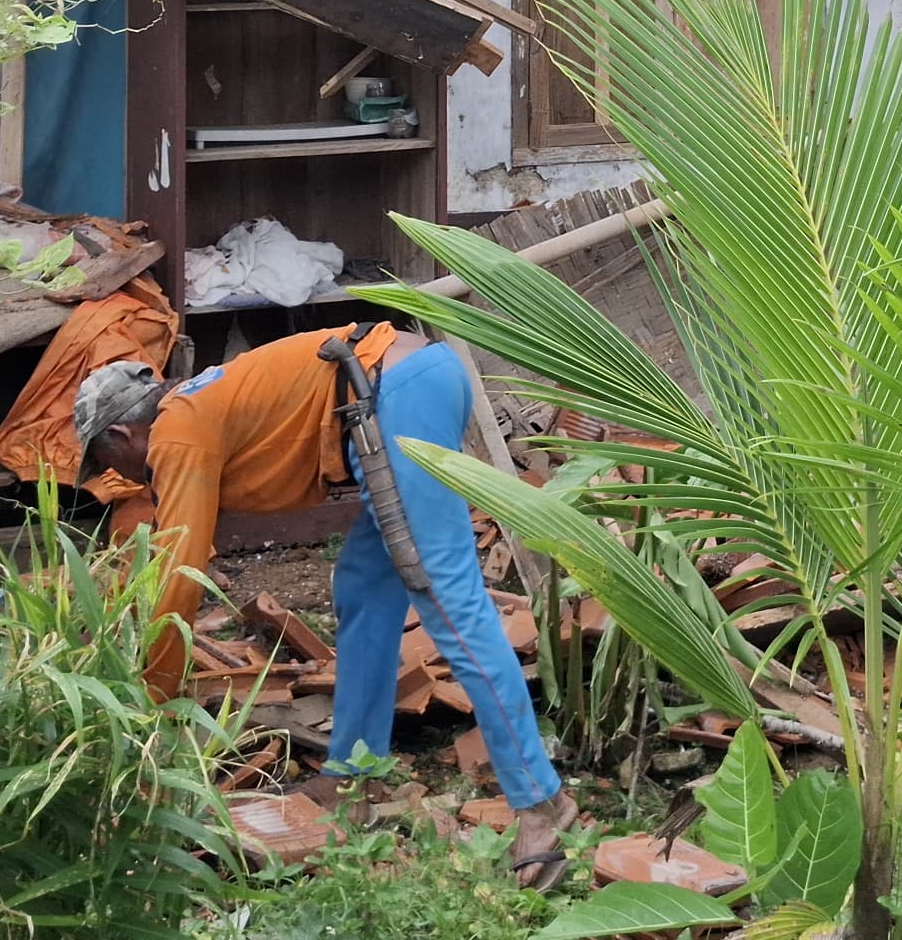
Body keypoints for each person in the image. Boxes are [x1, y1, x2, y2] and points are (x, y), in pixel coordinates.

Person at [73, 324, 581, 882]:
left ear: (122, 433)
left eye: (105, 463)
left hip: (394, 393)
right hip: (410, 380)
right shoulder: (194, 402)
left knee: (447, 600)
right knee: (364, 583)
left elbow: (180, 574)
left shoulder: (176, 433)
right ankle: (352, 775)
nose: (116, 478)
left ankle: (541, 804)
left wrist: (148, 696)